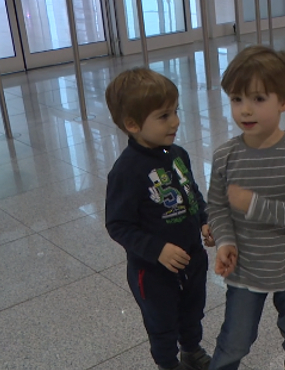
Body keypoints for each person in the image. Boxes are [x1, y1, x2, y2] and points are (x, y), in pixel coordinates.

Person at [205, 45, 285, 370]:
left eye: (258, 99)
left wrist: (254, 204)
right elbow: (216, 206)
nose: (245, 110)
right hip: (245, 267)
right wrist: (225, 240)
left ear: (284, 101)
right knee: (235, 337)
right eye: (236, 99)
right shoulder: (225, 156)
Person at [104, 67, 214, 370]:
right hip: (153, 273)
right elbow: (118, 225)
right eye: (164, 116)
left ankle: (191, 349)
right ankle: (168, 364)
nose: (176, 121)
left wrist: (204, 219)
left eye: (175, 111)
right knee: (162, 324)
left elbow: (191, 194)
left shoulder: (178, 154)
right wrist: (157, 250)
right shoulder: (126, 172)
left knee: (193, 313)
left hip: (192, 258)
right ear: (132, 124)